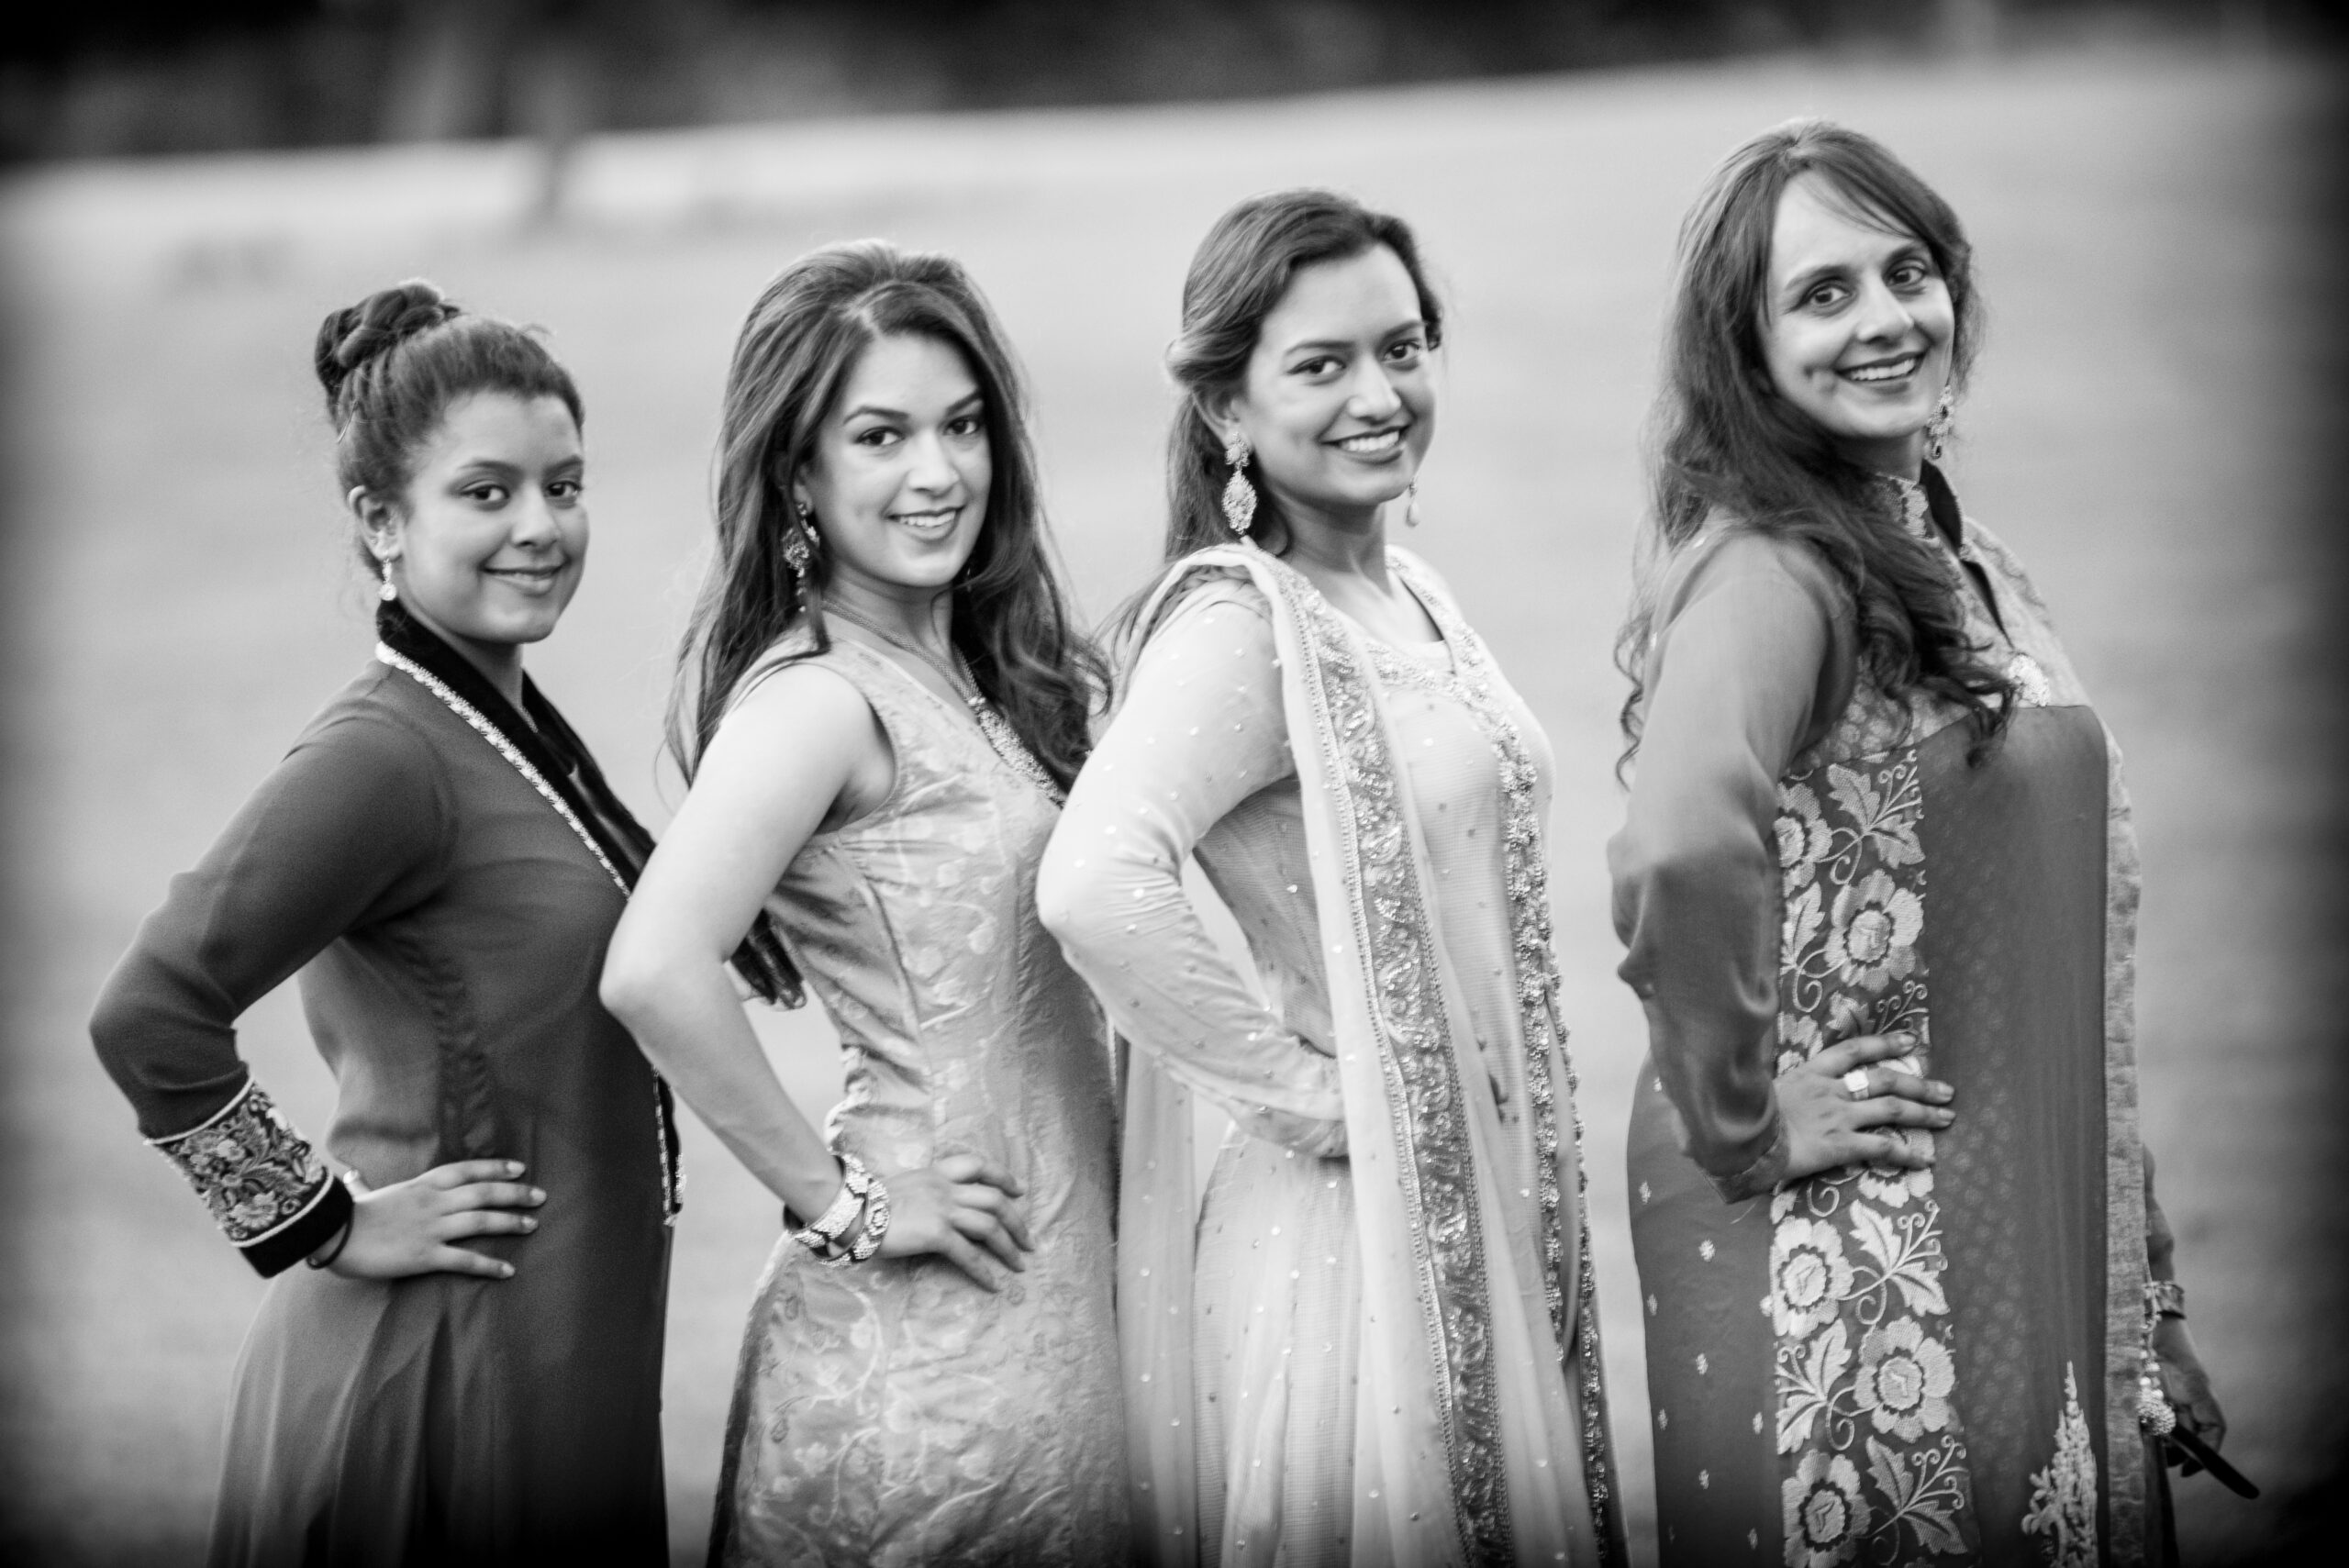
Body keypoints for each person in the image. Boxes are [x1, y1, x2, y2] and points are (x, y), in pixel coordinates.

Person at [1609, 120, 2226, 1568]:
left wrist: (2149, 1287)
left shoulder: (1961, 554)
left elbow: (2054, 941)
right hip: (1861, 1251)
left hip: (2017, 1206)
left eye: (1907, 272)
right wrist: (1746, 1121)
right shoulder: (1780, 568)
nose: (1885, 317)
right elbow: (1679, 847)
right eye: (1822, 294)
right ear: (1748, 350)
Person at [1040, 189, 1626, 1568]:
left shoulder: (1411, 591)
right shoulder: (1237, 624)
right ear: (1227, 410)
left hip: (1482, 1195)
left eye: (1403, 349)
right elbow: (1093, 881)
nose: (1380, 394)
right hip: (1343, 1251)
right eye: (1322, 364)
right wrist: (1319, 1098)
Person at [87, 281, 706, 1563]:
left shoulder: (497, 724)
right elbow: (149, 1011)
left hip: (546, 1360)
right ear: (381, 520)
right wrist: (323, 1221)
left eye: (564, 485)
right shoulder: (384, 756)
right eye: (486, 492)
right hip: (437, 1382)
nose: (540, 526)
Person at [597, 240, 1126, 1567]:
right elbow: (653, 965)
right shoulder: (819, 700)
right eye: (881, 436)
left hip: (1054, 1291)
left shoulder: (974, 672)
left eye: (963, 426)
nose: (938, 472)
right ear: (799, 472)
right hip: (933, 1350)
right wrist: (850, 1206)